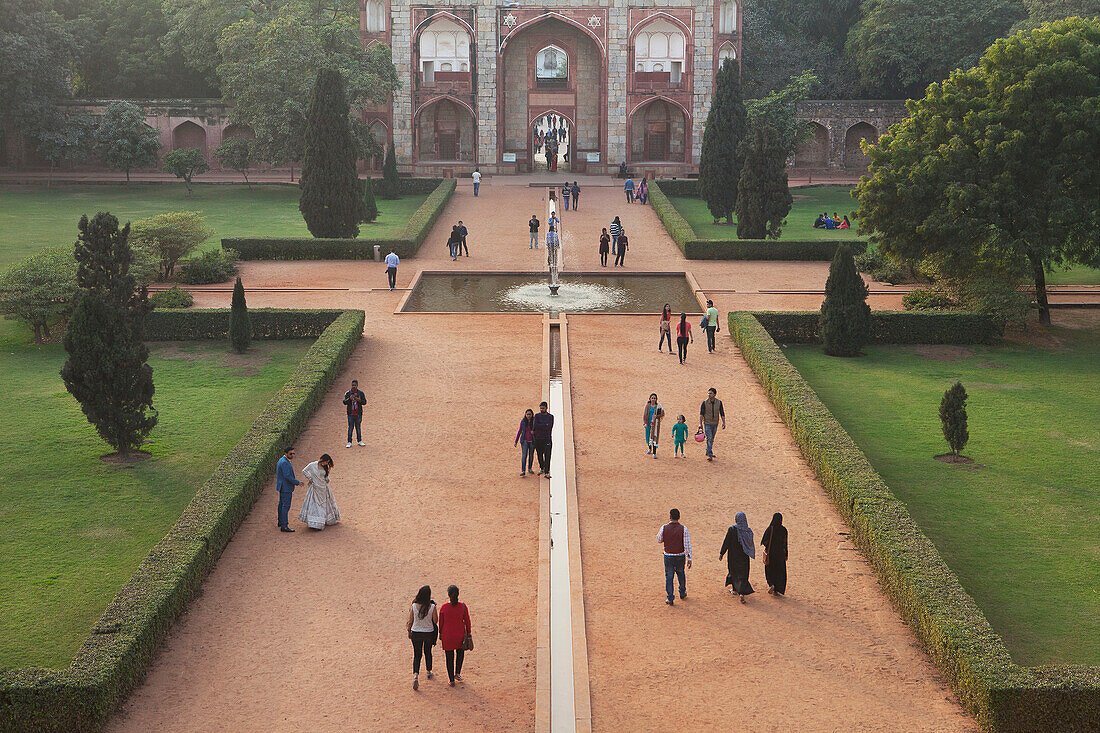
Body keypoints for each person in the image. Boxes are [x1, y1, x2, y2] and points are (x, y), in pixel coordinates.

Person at [438, 585, 471, 687]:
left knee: (449, 657)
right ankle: (457, 673)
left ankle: (451, 680)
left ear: (448, 595)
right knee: (460, 654)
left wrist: (440, 633)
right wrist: (469, 632)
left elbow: (441, 622)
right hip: (460, 635)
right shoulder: (462, 606)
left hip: (447, 636)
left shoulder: (444, 607)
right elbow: (467, 621)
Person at [657, 508, 692, 605]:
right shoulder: (683, 529)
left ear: (670, 517)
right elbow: (687, 545)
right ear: (679, 517)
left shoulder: (664, 528)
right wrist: (689, 558)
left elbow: (659, 539)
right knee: (681, 574)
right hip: (680, 556)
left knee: (669, 576)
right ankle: (682, 592)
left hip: (668, 556)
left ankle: (670, 597)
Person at [720, 511, 756, 603]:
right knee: (743, 575)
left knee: (734, 572)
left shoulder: (732, 529)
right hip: (744, 557)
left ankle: (735, 589)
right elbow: (750, 544)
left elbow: (726, 542)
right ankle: (741, 593)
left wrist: (721, 553)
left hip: (733, 557)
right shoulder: (748, 531)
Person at [407, 585, 438, 690]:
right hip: (428, 633)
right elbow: (435, 620)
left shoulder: (414, 606)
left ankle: (416, 675)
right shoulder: (432, 607)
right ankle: (428, 671)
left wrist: (409, 630)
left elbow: (410, 620)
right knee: (427, 652)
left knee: (417, 654)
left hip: (416, 632)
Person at [298, 453, 340, 530]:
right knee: (315, 505)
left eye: (327, 462)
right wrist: (310, 478)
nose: (326, 464)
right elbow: (304, 471)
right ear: (322, 460)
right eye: (326, 462)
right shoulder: (312, 465)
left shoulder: (325, 467)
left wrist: (327, 479)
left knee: (324, 504)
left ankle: (324, 520)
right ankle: (316, 523)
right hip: (315, 488)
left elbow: (325, 476)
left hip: (323, 488)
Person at [761, 512, 788, 595]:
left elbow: (764, 541)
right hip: (780, 554)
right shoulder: (784, 530)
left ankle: (771, 584)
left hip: (771, 554)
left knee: (770, 570)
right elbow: (785, 543)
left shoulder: (770, 529)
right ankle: (777, 589)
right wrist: (786, 553)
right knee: (779, 572)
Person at [275, 446, 301, 532]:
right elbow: (287, 476)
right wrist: (297, 482)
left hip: (282, 486)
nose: (293, 455)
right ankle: (284, 525)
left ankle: (281, 521)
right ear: (286, 453)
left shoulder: (282, 460)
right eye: (291, 454)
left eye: (293, 453)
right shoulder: (285, 463)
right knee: (285, 506)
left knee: (281, 505)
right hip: (286, 487)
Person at [699, 387, 725, 461]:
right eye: (708, 393)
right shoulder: (705, 402)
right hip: (707, 422)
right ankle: (710, 453)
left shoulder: (719, 403)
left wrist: (723, 422)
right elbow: (701, 414)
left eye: (710, 393)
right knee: (709, 438)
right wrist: (700, 424)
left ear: (715, 394)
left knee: (712, 438)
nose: (709, 395)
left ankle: (708, 450)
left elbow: (722, 413)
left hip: (715, 423)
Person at [532, 401, 554, 478]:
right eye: (540, 408)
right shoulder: (537, 416)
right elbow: (535, 426)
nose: (541, 410)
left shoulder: (550, 416)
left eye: (543, 408)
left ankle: (547, 471)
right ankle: (542, 468)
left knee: (547, 455)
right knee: (539, 454)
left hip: (547, 438)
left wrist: (541, 426)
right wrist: (544, 425)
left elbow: (549, 427)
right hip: (538, 438)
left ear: (546, 408)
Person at [343, 379, 366, 448]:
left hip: (358, 414)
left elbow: (364, 402)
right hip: (350, 413)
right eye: (353, 385)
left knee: (358, 428)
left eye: (355, 385)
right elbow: (344, 402)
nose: (354, 387)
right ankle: (349, 442)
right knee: (350, 428)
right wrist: (349, 399)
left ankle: (359, 441)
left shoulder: (361, 393)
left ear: (357, 385)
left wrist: (359, 400)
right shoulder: (348, 393)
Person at [514, 408, 536, 477]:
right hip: (525, 441)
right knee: (524, 456)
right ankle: (523, 470)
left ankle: (529, 468)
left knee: (531, 455)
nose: (528, 416)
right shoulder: (523, 421)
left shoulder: (534, 422)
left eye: (530, 414)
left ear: (532, 415)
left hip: (532, 441)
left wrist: (534, 433)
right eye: (527, 414)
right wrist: (516, 441)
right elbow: (519, 431)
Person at [643, 393, 664, 457]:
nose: (653, 399)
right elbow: (645, 415)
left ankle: (654, 453)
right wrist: (645, 423)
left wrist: (656, 416)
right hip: (649, 423)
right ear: (650, 399)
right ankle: (650, 448)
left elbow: (662, 414)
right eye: (652, 398)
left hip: (655, 425)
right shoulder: (647, 406)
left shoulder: (658, 406)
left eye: (654, 398)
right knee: (648, 436)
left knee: (655, 437)